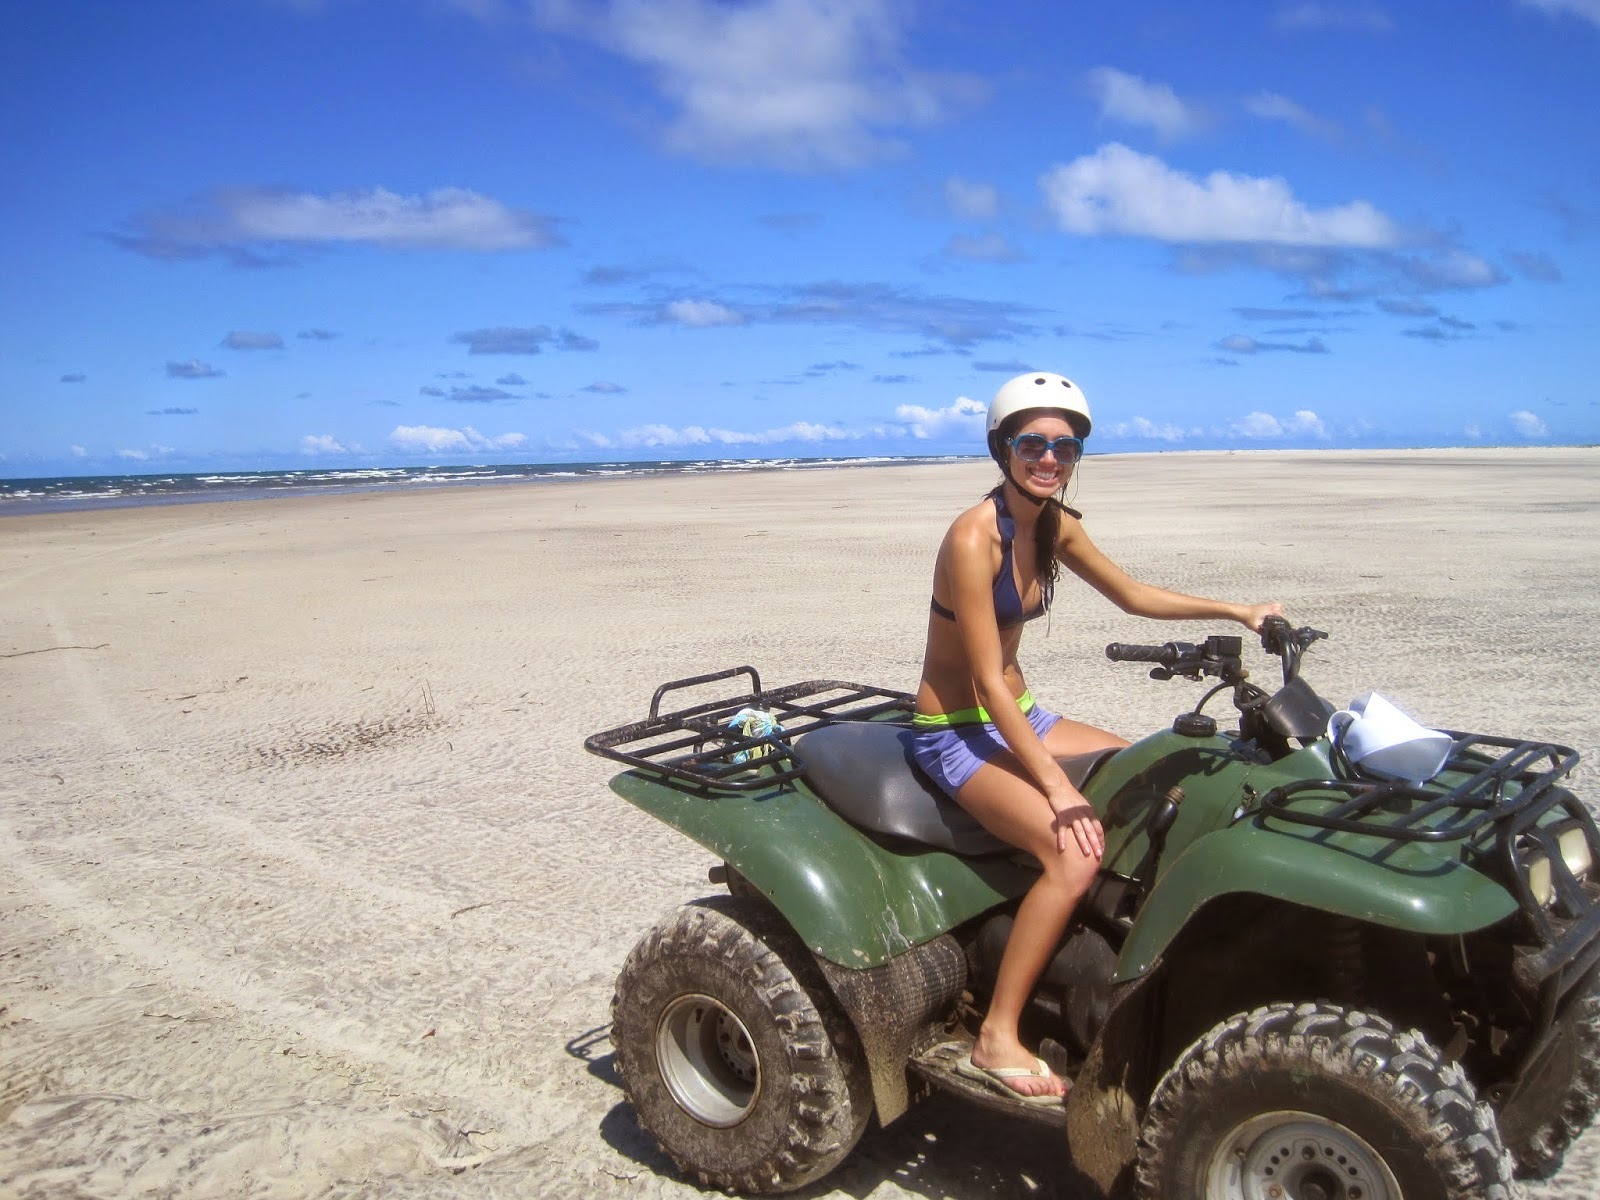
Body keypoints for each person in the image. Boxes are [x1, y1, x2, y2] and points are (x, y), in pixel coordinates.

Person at [911, 371, 1282, 1105]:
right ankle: (997, 1035)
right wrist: (1055, 787)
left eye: (1065, 447)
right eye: (1032, 444)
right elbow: (984, 682)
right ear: (1002, 448)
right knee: (1071, 851)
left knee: (1148, 780)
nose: (1049, 458)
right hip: (953, 729)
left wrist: (1239, 611)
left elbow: (1132, 595)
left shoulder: (1055, 524)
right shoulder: (973, 536)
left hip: (1023, 714)